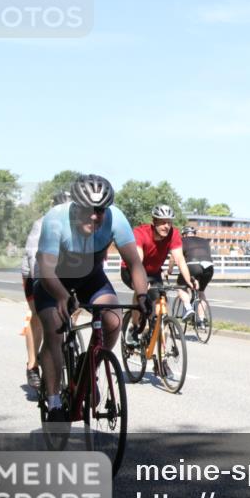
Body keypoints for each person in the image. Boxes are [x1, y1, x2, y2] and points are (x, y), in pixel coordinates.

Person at [35, 174, 151, 423]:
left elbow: (135, 264)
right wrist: (62, 296)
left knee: (113, 319)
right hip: (52, 280)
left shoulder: (116, 218)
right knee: (54, 329)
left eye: (100, 210)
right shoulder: (55, 219)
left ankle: (89, 369)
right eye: (88, 210)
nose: (95, 216)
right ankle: (54, 402)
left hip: (90, 277)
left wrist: (142, 295)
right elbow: (45, 270)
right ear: (76, 207)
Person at [120, 204, 196, 346]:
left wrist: (189, 280)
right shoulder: (140, 233)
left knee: (162, 306)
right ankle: (134, 327)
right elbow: (137, 262)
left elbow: (180, 259)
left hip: (154, 272)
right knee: (140, 289)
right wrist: (142, 283)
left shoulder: (173, 234)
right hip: (132, 269)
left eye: (169, 222)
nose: (166, 226)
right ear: (154, 221)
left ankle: (161, 353)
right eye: (162, 222)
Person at [21, 190, 71, 389]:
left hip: (63, 272)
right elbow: (35, 259)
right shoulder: (41, 224)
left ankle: (57, 349)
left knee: (70, 309)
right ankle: (32, 365)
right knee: (37, 316)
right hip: (35, 272)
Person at [168, 225, 213, 323]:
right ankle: (201, 320)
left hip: (193, 266)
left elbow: (173, 257)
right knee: (201, 292)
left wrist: (169, 270)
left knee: (180, 287)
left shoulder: (181, 241)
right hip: (209, 267)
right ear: (194, 234)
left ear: (184, 234)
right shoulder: (204, 241)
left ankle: (188, 308)